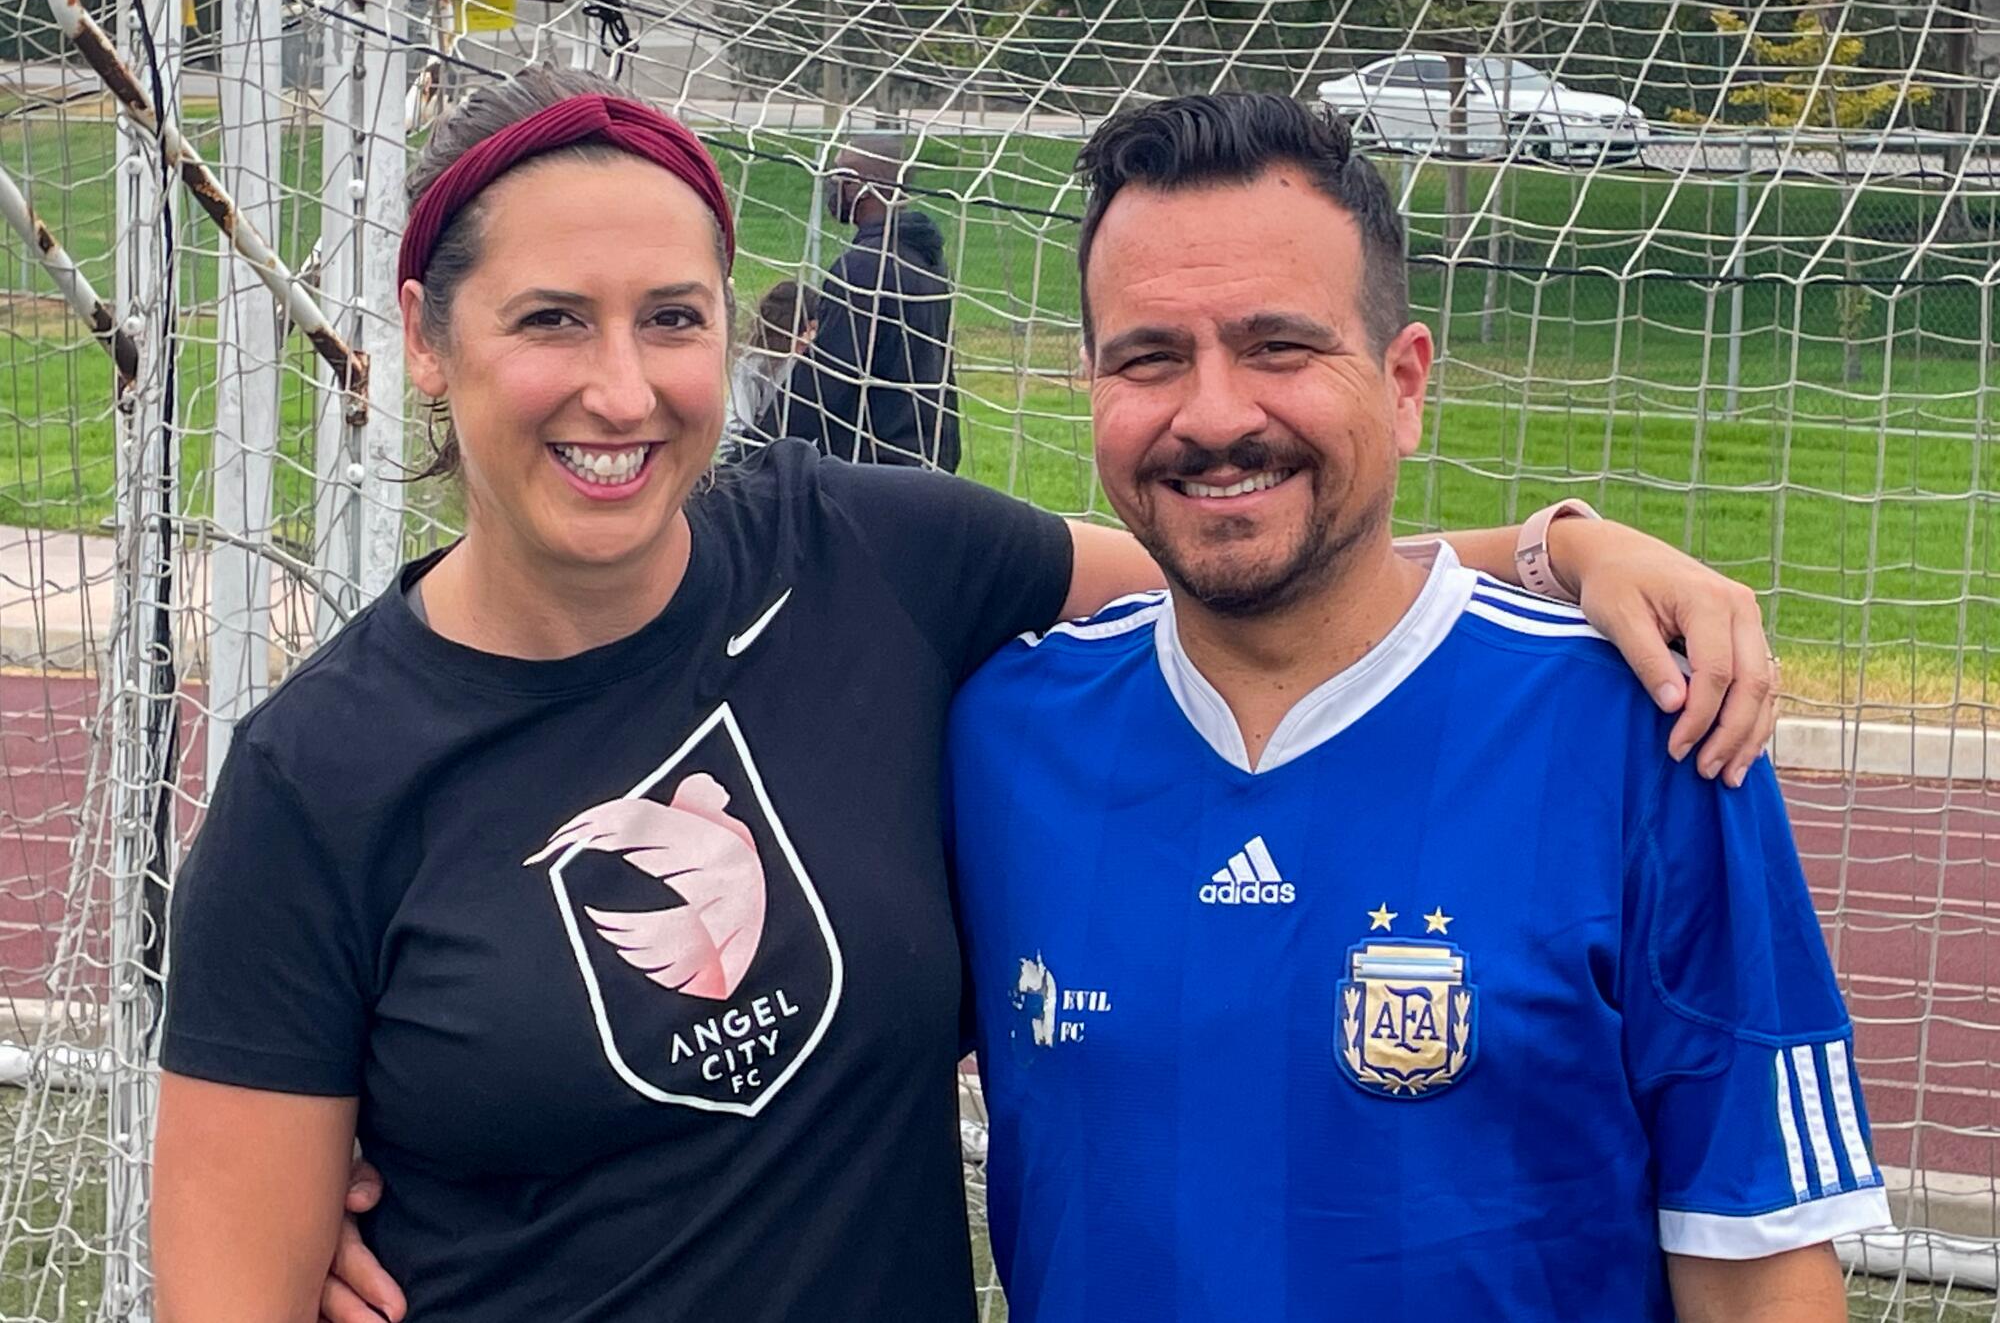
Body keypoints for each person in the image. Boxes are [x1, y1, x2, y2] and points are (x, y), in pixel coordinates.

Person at [151, 67, 1776, 1323]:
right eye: (549, 322)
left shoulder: (863, 553)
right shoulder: (322, 779)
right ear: (428, 342)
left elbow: (1237, 537)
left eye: (675, 319)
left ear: (734, 329)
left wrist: (1561, 542)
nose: (621, 386)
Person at [947, 94, 1887, 1323]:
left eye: (1278, 345)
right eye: (1149, 357)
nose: (1214, 412)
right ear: (1092, 387)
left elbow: (1756, 1269)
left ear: (1402, 383)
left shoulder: (1643, 729)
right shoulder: (1000, 732)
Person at [776, 134, 962, 470]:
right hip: (929, 461)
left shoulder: (864, 268)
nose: (832, 188)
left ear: (860, 186)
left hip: (876, 471)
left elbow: (821, 384)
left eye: (839, 177)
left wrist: (751, 448)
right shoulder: (926, 259)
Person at [721, 278, 819, 458]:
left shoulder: (818, 369)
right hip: (758, 460)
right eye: (806, 329)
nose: (810, 337)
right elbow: (734, 430)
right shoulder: (754, 365)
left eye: (815, 329)